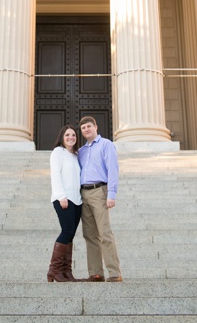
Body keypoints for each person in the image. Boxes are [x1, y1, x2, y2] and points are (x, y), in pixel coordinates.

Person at [78, 116, 122, 282]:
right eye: (83, 128)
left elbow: (113, 169)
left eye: (89, 126)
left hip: (99, 191)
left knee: (104, 233)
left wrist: (111, 194)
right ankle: (96, 273)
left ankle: (114, 273)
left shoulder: (106, 144)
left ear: (96, 126)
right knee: (90, 235)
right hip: (84, 194)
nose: (86, 129)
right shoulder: (81, 151)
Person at [47, 124, 82, 282]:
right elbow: (55, 174)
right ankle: (54, 270)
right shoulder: (58, 152)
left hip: (76, 200)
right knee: (66, 232)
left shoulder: (75, 155)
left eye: (73, 135)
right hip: (63, 199)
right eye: (67, 135)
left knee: (71, 236)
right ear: (62, 137)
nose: (71, 138)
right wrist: (61, 196)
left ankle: (67, 272)